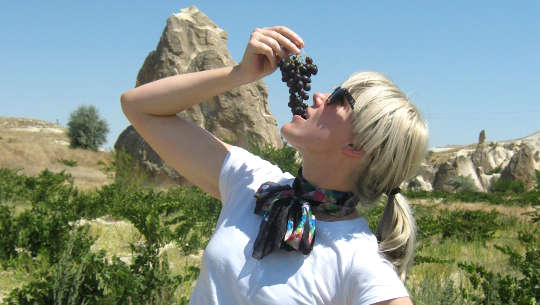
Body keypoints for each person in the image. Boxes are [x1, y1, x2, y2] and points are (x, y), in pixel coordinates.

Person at [121, 26, 428, 305]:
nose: (320, 95)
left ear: (357, 146)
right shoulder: (255, 183)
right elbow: (138, 107)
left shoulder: (358, 261)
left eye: (338, 98)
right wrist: (239, 74)